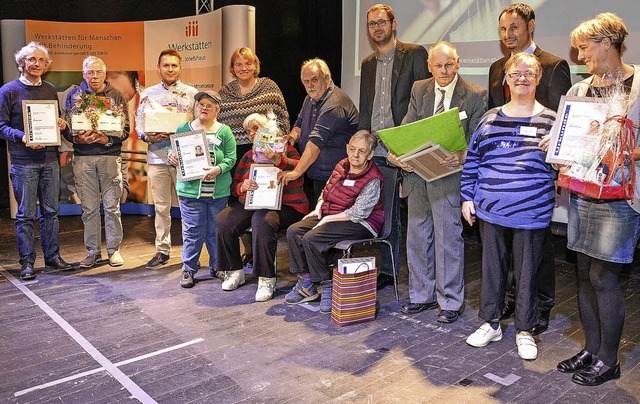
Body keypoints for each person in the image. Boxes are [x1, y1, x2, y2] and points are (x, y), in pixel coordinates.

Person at [554, 13, 640, 386]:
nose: (579, 55)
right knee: (584, 274)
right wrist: (555, 145)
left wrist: (627, 152)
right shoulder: (579, 90)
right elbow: (568, 138)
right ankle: (591, 349)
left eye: (585, 48)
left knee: (603, 275)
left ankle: (610, 359)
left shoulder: (639, 86)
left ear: (607, 43)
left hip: (621, 197)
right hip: (583, 192)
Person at [461, 53, 556, 361]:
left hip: (532, 212)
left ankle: (525, 330)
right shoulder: (489, 118)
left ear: (539, 79)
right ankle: (491, 323)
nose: (522, 77)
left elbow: (564, 170)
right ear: (506, 78)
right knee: (492, 270)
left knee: (527, 273)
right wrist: (466, 197)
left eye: (529, 73)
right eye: (516, 73)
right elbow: (473, 161)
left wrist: (557, 152)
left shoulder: (553, 123)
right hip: (490, 210)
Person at [487, 3, 572, 335]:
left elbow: (561, 121)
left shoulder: (553, 66)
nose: (508, 35)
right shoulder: (497, 68)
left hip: (537, 171)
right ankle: (513, 298)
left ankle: (542, 303)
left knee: (539, 243)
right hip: (504, 171)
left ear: (531, 26)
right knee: (508, 240)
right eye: (503, 30)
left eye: (514, 28)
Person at [388, 42, 487, 323]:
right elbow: (409, 127)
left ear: (458, 63)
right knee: (417, 236)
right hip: (418, 173)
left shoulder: (476, 95)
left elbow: (478, 140)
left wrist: (463, 154)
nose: (443, 71)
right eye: (438, 66)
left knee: (448, 239)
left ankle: (450, 302)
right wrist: (399, 155)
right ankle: (421, 295)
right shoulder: (420, 89)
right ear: (429, 66)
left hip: (450, 175)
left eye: (449, 65)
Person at [358, 3, 430, 290]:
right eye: (372, 24)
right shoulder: (366, 64)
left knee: (415, 215)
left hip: (407, 150)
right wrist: (362, 144)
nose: (377, 28)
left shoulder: (414, 54)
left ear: (393, 23)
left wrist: (411, 144)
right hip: (377, 150)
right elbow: (366, 108)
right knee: (387, 213)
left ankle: (420, 274)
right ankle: (388, 270)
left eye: (381, 22)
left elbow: (424, 101)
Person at [284, 130, 384, 313]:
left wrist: (327, 219)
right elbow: (326, 191)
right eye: (352, 149)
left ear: (370, 154)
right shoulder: (341, 165)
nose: (355, 155)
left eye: (361, 151)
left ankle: (327, 285)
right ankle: (307, 283)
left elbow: (358, 213)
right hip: (334, 213)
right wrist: (318, 208)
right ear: (347, 148)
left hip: (361, 222)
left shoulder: (373, 178)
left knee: (312, 238)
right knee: (294, 231)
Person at [0, 42, 74, 280]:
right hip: (24, 162)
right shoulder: (8, 91)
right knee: (25, 214)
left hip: (50, 159)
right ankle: (27, 262)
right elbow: (1, 126)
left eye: (41, 60)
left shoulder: (50, 89)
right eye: (32, 59)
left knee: (52, 212)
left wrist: (61, 124)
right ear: (22, 63)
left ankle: (53, 257)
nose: (37, 64)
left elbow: (55, 119)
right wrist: (22, 137)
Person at [215, 113, 308, 301]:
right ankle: (234, 270)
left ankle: (266, 278)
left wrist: (278, 163)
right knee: (224, 220)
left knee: (262, 220)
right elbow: (234, 187)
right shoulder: (249, 155)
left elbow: (299, 170)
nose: (251, 134)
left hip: (287, 205)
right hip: (254, 203)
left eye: (256, 129)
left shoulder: (287, 150)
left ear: (268, 129)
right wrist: (243, 186)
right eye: (248, 131)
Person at [65, 56, 129, 268]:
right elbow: (67, 127)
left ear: (105, 73)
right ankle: (93, 252)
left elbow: (125, 129)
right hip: (83, 158)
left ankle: (114, 250)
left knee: (112, 207)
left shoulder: (117, 96)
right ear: (83, 74)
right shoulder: (74, 95)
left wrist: (106, 138)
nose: (94, 76)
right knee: (89, 209)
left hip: (110, 157)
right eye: (90, 72)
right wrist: (77, 138)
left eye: (98, 72)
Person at [136, 49, 197, 270]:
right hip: (157, 156)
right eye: (165, 65)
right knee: (161, 207)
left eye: (174, 65)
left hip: (185, 160)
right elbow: (139, 124)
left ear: (180, 67)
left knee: (188, 206)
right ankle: (162, 250)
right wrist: (146, 135)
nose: (170, 69)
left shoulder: (191, 94)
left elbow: (199, 124)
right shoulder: (148, 93)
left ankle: (192, 251)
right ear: (158, 68)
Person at [168, 91, 236, 288]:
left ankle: (217, 266)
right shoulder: (184, 128)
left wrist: (218, 169)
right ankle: (189, 268)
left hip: (217, 192)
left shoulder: (224, 131)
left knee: (215, 231)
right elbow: (175, 150)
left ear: (217, 109)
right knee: (193, 231)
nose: (204, 108)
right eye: (201, 104)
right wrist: (172, 156)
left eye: (209, 105)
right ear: (195, 107)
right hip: (190, 191)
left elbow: (231, 158)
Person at [279, 58, 359, 204]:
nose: (310, 85)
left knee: (328, 223)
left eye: (314, 80)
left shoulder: (334, 105)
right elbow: (300, 124)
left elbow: (315, 144)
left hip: (338, 178)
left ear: (327, 79)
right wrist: (291, 137)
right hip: (321, 176)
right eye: (306, 81)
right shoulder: (310, 99)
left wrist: (296, 172)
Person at [218, 47, 289, 171]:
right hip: (235, 154)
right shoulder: (224, 93)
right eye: (238, 64)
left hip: (266, 151)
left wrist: (280, 148)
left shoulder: (269, 87)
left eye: (248, 63)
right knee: (239, 188)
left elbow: (283, 118)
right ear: (233, 68)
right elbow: (218, 126)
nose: (243, 68)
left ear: (256, 66)